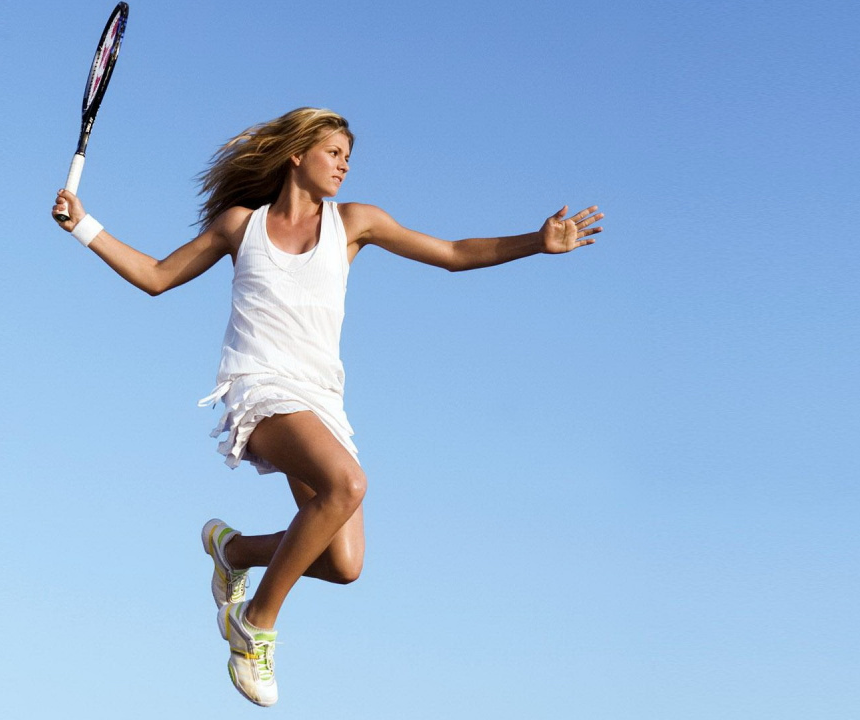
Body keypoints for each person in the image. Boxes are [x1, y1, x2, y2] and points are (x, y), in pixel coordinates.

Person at [50, 107, 604, 706]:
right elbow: (157, 276)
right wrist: (85, 227)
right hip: (259, 390)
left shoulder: (356, 222)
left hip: (320, 402)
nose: (344, 164)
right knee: (349, 483)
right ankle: (254, 624)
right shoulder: (240, 225)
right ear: (297, 154)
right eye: (333, 151)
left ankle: (233, 550)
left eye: (347, 156)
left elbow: (450, 252)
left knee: (343, 564)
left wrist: (536, 242)